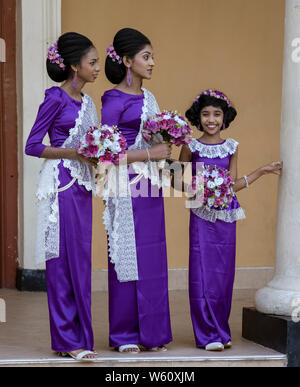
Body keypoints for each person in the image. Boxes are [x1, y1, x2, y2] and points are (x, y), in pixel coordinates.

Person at [179, 89, 282, 351]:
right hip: (201, 215)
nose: (211, 119)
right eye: (205, 114)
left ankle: (220, 331)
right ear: (198, 117)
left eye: (216, 114)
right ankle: (206, 335)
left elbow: (232, 185)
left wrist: (261, 171)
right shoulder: (189, 146)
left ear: (224, 117)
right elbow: (180, 181)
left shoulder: (232, 146)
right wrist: (198, 188)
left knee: (223, 274)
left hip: (226, 216)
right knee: (201, 273)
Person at [25, 32, 101, 361]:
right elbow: (32, 146)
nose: (98, 68)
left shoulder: (88, 103)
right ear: (74, 66)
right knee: (62, 263)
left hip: (83, 187)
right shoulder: (55, 99)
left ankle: (81, 336)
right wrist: (73, 151)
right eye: (92, 62)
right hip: (61, 186)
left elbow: (93, 147)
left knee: (80, 263)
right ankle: (67, 340)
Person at [101, 28, 173, 353]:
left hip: (149, 185)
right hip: (124, 186)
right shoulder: (113, 100)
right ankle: (125, 335)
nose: (153, 62)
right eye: (147, 57)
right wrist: (150, 153)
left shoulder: (149, 99)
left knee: (152, 255)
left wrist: (169, 142)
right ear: (128, 61)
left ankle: (153, 333)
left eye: (153, 56)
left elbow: (155, 142)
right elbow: (105, 153)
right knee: (126, 258)